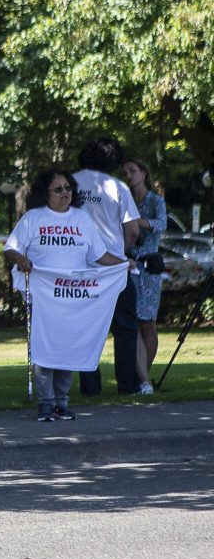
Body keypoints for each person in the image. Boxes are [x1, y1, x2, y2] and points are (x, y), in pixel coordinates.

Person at [4, 170, 125, 422]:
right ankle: (45, 403)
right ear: (45, 193)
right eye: (58, 189)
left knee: (69, 349)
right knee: (45, 348)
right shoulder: (33, 218)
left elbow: (99, 256)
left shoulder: (81, 219)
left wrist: (124, 264)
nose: (64, 193)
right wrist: (21, 259)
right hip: (44, 296)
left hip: (74, 299)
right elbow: (11, 248)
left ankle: (62, 402)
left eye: (68, 188)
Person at [73, 138, 141, 395]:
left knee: (86, 330)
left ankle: (90, 387)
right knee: (124, 328)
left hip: (80, 269)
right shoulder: (117, 187)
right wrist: (121, 252)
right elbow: (133, 230)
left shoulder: (70, 183)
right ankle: (127, 384)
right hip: (114, 268)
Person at [123, 158, 166, 395]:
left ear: (143, 172)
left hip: (149, 266)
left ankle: (143, 378)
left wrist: (139, 222)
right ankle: (141, 379)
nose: (129, 176)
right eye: (125, 172)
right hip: (129, 265)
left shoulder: (155, 200)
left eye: (132, 171)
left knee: (147, 322)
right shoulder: (126, 201)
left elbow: (161, 224)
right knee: (133, 322)